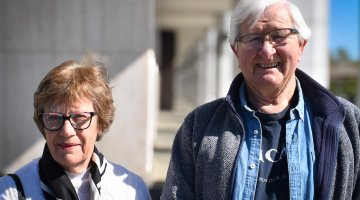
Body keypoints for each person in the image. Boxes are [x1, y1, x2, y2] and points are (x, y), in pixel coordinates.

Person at [161, 0, 360, 199]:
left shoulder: (348, 123)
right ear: (235, 51)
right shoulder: (199, 126)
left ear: (301, 46)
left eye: (279, 36)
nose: (266, 50)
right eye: (253, 38)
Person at [0, 59, 151, 199]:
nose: (66, 131)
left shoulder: (131, 190)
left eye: (79, 117)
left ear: (100, 122)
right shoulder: (11, 191)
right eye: (53, 117)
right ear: (42, 122)